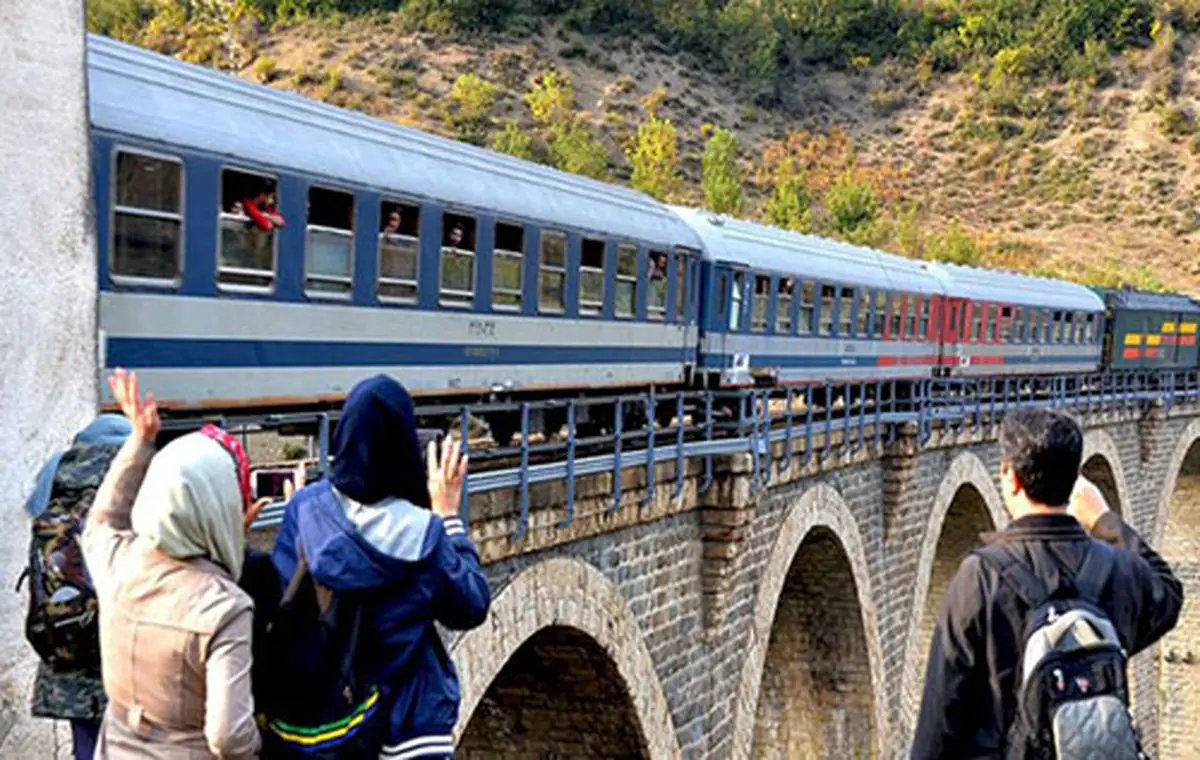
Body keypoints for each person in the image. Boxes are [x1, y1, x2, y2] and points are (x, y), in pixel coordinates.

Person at [911, 407, 1184, 759]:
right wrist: (1103, 519)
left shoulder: (980, 578)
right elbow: (1169, 592)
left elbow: (938, 727)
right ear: (1074, 481)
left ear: (1010, 477)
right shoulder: (1119, 571)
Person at [271, 374, 490, 759]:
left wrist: (301, 513)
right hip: (410, 730)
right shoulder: (426, 534)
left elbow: (282, 602)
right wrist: (449, 518)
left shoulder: (305, 510)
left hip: (332, 727)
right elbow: (470, 605)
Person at [81, 368, 264, 759]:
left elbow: (102, 519)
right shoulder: (224, 608)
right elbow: (228, 736)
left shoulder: (117, 564)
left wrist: (140, 442)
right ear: (218, 505)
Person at [25, 414, 132, 760]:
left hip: (65, 659)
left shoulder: (54, 487)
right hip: (124, 665)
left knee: (86, 748)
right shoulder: (132, 490)